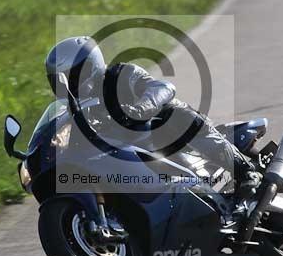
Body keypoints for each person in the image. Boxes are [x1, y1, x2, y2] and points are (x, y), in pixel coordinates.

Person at [45, 36, 260, 204]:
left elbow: (164, 88)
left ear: (91, 66)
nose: (69, 84)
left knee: (173, 114)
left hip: (164, 142)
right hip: (134, 165)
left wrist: (141, 108)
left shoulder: (121, 75)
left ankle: (246, 171)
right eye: (61, 80)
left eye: (73, 76)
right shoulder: (74, 113)